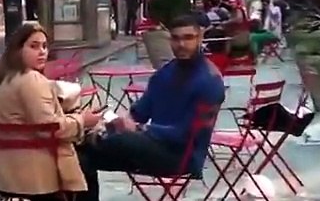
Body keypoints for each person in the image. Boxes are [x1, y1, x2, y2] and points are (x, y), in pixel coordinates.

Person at [0, 23, 106, 201]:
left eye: (45, 46)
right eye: (34, 46)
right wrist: (84, 120)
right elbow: (51, 130)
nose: (42, 52)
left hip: (2, 172)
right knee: (86, 165)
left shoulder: (1, 78)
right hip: (33, 176)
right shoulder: (31, 81)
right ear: (18, 50)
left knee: (81, 163)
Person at [95, 14, 226, 179]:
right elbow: (139, 113)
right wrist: (119, 122)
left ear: (199, 38)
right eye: (176, 39)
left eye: (188, 38)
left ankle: (95, 140)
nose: (181, 44)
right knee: (81, 156)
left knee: (117, 141)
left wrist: (140, 129)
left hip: (183, 157)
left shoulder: (210, 80)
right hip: (153, 148)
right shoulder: (164, 74)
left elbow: (186, 134)